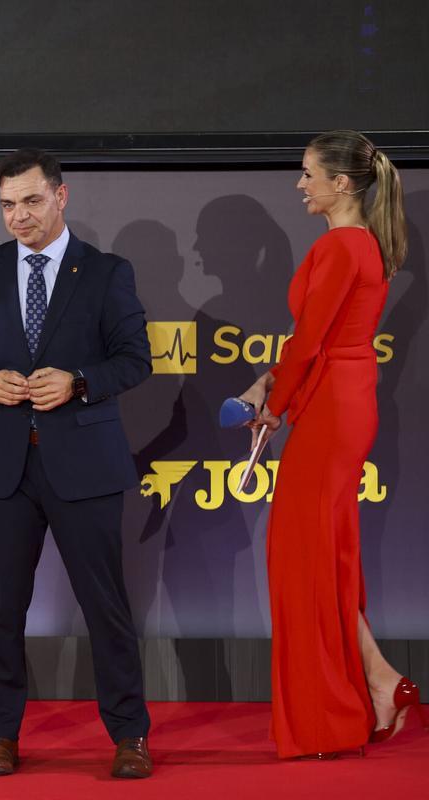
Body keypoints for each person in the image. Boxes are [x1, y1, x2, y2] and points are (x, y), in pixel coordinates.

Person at [0, 148, 154, 779]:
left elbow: (135, 358)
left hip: (85, 464)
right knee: (1, 610)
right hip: (5, 468)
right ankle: (1, 736)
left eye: (31, 201)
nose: (19, 216)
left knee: (105, 605)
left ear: (61, 197)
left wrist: (80, 381)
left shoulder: (106, 271)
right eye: (8, 205)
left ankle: (130, 736)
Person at [239, 129, 419, 759]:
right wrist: (275, 390)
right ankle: (377, 682)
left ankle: (329, 716)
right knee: (322, 559)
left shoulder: (344, 247)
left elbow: (310, 341)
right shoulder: (355, 245)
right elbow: (311, 339)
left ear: (342, 184)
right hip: (335, 401)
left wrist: (275, 405)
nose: (300, 183)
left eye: (309, 174)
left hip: (331, 408)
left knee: (306, 562)